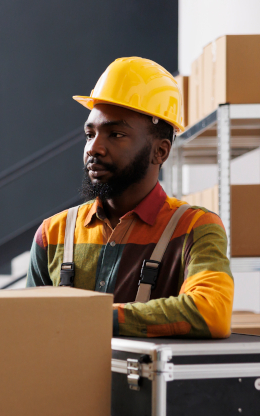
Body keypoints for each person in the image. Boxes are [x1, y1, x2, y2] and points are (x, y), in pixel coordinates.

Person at [27, 57, 233, 338]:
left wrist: (90, 316)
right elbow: (28, 327)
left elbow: (211, 312)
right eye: (90, 134)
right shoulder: (52, 234)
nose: (94, 148)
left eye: (116, 134)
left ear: (160, 152)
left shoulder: (196, 228)